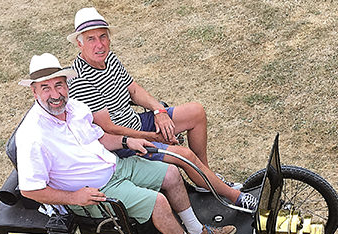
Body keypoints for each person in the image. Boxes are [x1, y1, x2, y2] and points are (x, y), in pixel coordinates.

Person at [15, 53, 236, 234]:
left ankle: (196, 230)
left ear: (67, 85)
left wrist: (127, 142)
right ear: (34, 92)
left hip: (115, 166)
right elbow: (30, 190)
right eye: (46, 88)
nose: (55, 94)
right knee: (157, 202)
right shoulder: (32, 136)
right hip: (94, 192)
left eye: (59, 85)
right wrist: (75, 197)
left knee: (171, 173)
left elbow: (100, 138)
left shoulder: (76, 108)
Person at [66, 7, 257, 211]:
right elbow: (109, 128)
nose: (100, 44)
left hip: (136, 122)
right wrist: (152, 137)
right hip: (126, 144)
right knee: (185, 155)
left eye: (103, 36)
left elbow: (134, 90)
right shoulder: (79, 79)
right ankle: (236, 197)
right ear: (80, 43)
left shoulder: (109, 59)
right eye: (91, 39)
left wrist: (159, 111)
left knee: (196, 112)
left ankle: (206, 180)